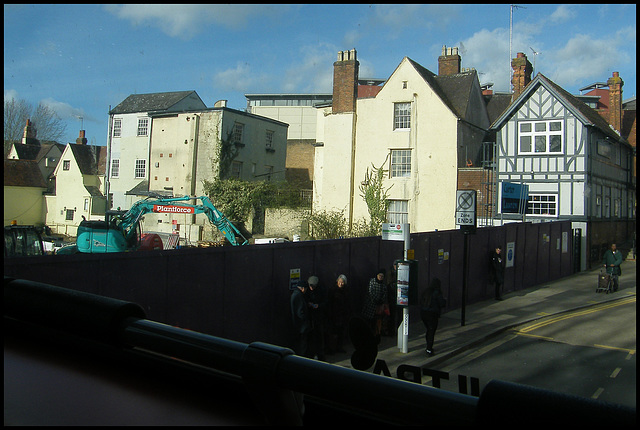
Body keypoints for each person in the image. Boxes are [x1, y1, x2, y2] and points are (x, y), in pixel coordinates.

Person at [420, 278, 447, 357]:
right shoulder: (437, 292)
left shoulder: (426, 291)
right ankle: (429, 349)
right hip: (432, 314)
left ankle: (428, 346)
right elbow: (442, 303)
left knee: (428, 330)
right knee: (431, 331)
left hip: (424, 313)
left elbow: (421, 301)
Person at [361, 268, 388, 343]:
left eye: (382, 276)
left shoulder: (383, 285)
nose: (380, 277)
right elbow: (370, 292)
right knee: (368, 322)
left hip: (378, 308)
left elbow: (384, 294)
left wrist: (381, 301)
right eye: (379, 275)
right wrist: (376, 300)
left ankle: (375, 337)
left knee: (376, 323)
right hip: (370, 305)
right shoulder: (372, 282)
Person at [327, 274, 350, 354]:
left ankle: (339, 347)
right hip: (334, 315)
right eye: (339, 282)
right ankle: (331, 348)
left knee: (341, 332)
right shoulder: (333, 290)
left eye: (342, 282)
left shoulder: (346, 291)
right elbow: (330, 303)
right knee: (333, 333)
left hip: (342, 315)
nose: (341, 284)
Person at [307, 275, 328, 361]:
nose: (311, 287)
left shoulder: (320, 291)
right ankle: (313, 353)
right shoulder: (309, 291)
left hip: (318, 316)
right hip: (312, 317)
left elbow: (325, 302)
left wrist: (318, 306)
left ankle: (319, 354)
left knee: (319, 336)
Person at [290, 280, 311, 356]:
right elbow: (300, 312)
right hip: (301, 325)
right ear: (303, 288)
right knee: (303, 343)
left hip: (297, 325)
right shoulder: (299, 296)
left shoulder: (295, 294)